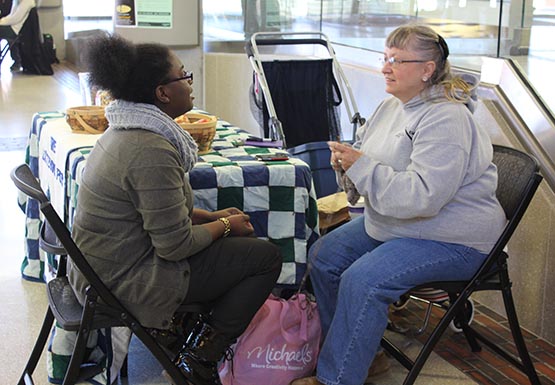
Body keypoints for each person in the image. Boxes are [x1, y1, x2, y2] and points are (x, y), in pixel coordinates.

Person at [291, 24, 506, 385]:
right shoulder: (393, 105)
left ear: (427, 69)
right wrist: (349, 166)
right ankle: (362, 355)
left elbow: (422, 197)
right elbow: (372, 168)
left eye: (396, 60)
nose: (385, 67)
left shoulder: (446, 118)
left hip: (454, 238)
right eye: (385, 57)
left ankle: (337, 378)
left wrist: (360, 166)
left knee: (364, 280)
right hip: (402, 223)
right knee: (324, 256)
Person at [67, 34, 282, 385]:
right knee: (264, 258)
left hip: (104, 266)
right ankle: (197, 358)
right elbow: (175, 245)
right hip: (124, 279)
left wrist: (213, 218)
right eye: (184, 75)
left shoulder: (126, 129)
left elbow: (155, 214)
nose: (190, 83)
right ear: (162, 93)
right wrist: (225, 228)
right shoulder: (149, 148)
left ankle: (177, 334)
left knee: (234, 248)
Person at [0, 0, 35, 71]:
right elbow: (11, 16)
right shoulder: (17, 1)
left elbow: (15, 19)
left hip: (14, 30)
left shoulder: (27, 2)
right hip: (10, 26)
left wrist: (1, 21)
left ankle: (16, 61)